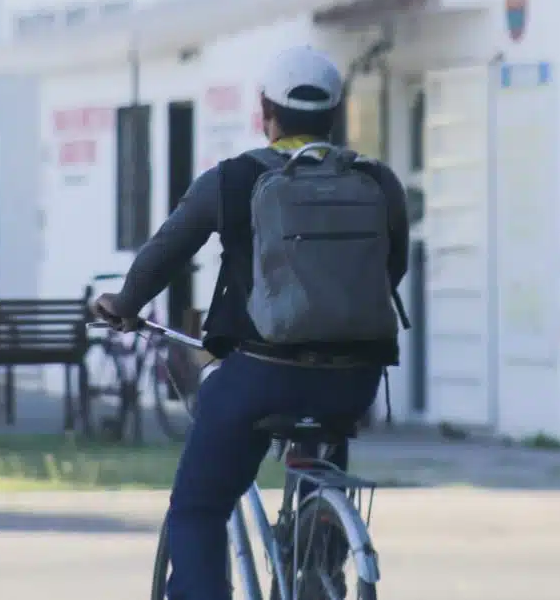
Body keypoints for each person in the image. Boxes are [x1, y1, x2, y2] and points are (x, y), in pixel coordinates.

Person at [92, 44, 409, 600]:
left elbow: (165, 253)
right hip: (354, 380)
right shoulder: (378, 183)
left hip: (263, 375)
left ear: (266, 112)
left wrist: (125, 305)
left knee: (199, 505)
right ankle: (321, 558)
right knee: (325, 434)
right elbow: (392, 270)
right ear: (335, 115)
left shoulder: (233, 180)